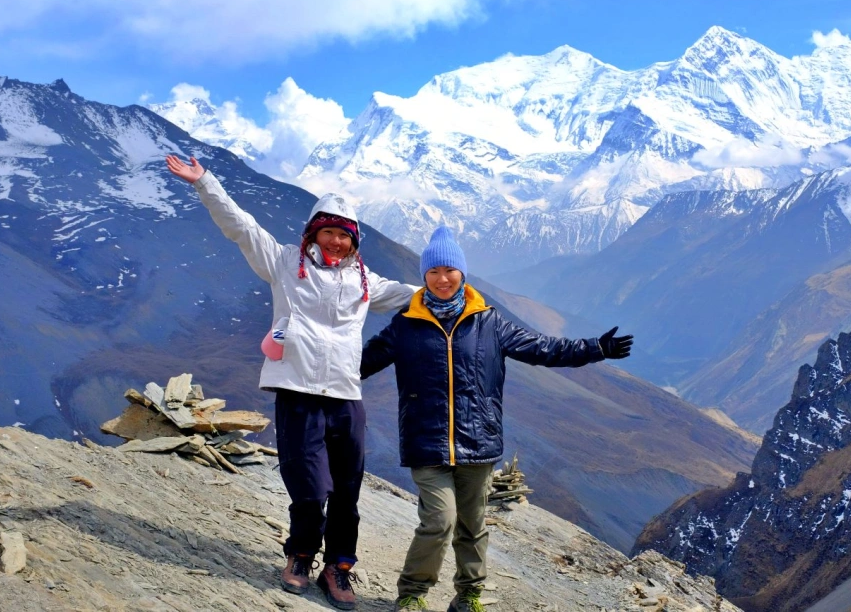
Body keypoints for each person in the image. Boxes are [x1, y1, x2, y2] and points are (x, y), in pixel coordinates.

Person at [165, 154, 417, 610]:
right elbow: (241, 227)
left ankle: (338, 568)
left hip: (345, 395)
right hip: (297, 391)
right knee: (308, 485)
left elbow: (414, 296)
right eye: (329, 232)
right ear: (313, 232)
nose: (336, 241)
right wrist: (205, 182)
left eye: (344, 234)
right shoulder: (283, 262)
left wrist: (456, 293)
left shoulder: (364, 280)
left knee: (347, 488)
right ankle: (300, 555)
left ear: (353, 240)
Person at [360, 225, 633, 612]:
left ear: (462, 274)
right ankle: (412, 595)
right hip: (427, 442)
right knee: (440, 521)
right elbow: (359, 363)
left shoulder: (488, 322)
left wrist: (596, 348)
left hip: (478, 442)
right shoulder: (405, 325)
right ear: (423, 277)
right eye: (433, 272)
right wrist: (307, 373)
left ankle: (469, 595)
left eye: (449, 271)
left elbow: (542, 348)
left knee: (472, 526)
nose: (442, 279)